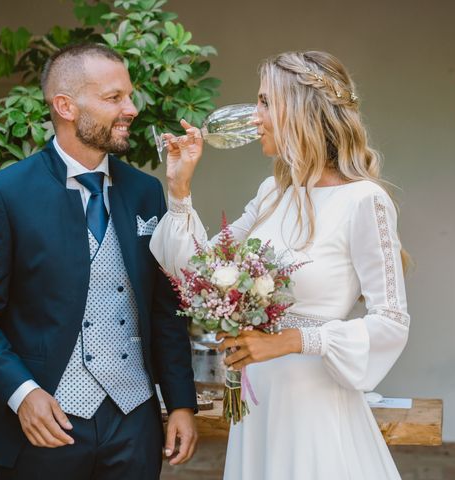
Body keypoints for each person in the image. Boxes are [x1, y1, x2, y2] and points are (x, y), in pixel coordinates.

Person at [150, 50, 410, 479]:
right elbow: (199, 272)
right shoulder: (272, 192)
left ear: (301, 111)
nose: (255, 116)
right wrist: (179, 187)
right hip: (257, 405)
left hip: (314, 409)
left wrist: (290, 341)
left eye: (265, 102)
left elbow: (392, 321)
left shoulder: (364, 200)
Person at [0, 43, 198, 480]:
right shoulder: (6, 194)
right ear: (65, 106)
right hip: (45, 426)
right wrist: (22, 394)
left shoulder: (145, 191)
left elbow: (165, 307)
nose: (132, 109)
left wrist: (179, 401)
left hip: (134, 421)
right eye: (114, 98)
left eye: (130, 95)